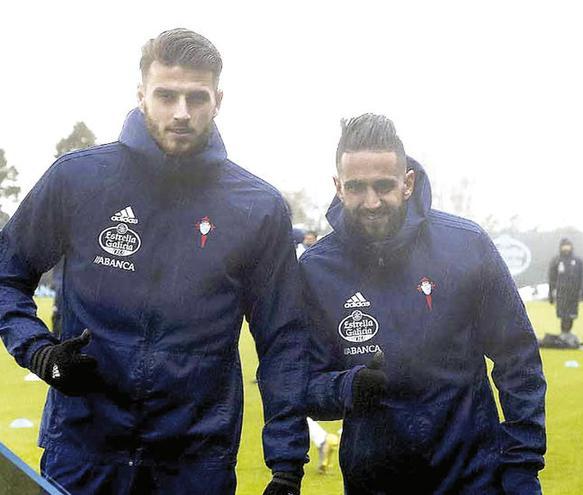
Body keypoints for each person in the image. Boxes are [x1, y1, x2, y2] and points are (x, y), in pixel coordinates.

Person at [0, 28, 309, 495]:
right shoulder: (78, 180)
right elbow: (6, 277)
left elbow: (284, 340)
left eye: (196, 97)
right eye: (166, 95)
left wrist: (286, 463)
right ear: (141, 94)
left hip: (195, 465)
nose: (181, 112)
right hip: (85, 452)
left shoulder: (258, 208)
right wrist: (39, 350)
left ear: (218, 99)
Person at [301, 114, 547, 494]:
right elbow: (304, 385)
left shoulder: (466, 245)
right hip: (374, 483)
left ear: (407, 183)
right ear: (337, 186)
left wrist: (522, 467)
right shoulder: (318, 270)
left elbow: (519, 359)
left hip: (472, 478)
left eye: (383, 186)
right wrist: (349, 387)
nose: (371, 202)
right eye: (356, 187)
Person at [547, 238, 583, 348]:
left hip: (574, 293)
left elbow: (582, 276)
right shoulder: (556, 260)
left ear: (571, 247)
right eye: (564, 246)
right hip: (561, 293)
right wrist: (551, 293)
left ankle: (568, 333)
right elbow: (552, 278)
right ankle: (564, 334)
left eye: (568, 245)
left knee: (572, 315)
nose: (566, 248)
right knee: (563, 314)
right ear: (560, 247)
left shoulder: (577, 261)